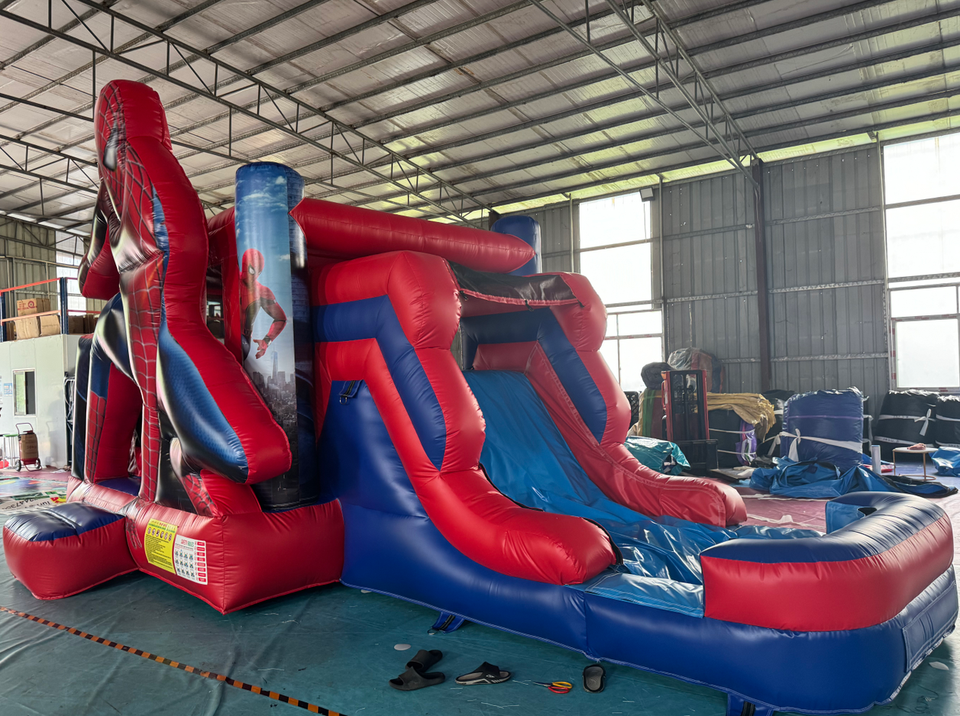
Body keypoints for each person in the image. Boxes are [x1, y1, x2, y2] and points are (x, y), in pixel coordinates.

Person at [239, 248, 286, 360]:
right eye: (252, 270)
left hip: (243, 340)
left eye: (258, 272)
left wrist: (266, 341)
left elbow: (281, 318)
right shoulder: (231, 276)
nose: (254, 275)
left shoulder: (262, 292)